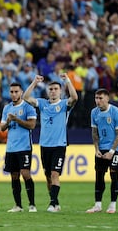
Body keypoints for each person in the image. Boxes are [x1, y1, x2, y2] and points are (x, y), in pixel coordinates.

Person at [23, 74, 78, 212]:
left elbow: (75, 98)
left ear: (60, 91)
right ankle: (55, 201)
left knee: (55, 174)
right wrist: (34, 82)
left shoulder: (64, 105)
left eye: (55, 89)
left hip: (59, 145)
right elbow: (25, 97)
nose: (53, 91)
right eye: (51, 89)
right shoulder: (42, 103)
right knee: (48, 176)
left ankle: (52, 204)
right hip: (45, 145)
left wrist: (68, 81)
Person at [86, 88, 118, 214]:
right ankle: (98, 205)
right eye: (96, 98)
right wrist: (96, 149)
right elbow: (94, 132)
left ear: (107, 98)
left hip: (115, 148)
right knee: (99, 175)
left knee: (114, 174)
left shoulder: (116, 112)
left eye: (100, 98)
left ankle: (113, 205)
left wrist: (112, 152)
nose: (98, 101)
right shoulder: (94, 112)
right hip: (101, 148)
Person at [0, 82, 38, 213]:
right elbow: (2, 128)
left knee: (25, 174)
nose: (14, 94)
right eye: (11, 92)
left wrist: (17, 119)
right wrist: (9, 121)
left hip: (24, 146)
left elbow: (32, 125)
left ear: (21, 92)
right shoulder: (7, 108)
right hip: (11, 148)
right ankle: (18, 205)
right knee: (14, 176)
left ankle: (32, 204)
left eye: (16, 91)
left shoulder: (28, 107)